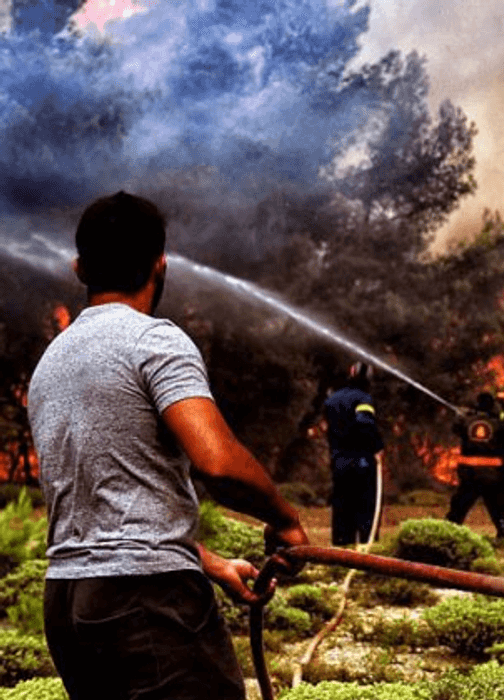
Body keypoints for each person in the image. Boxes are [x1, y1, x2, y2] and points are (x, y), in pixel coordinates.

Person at [27, 191, 309, 700]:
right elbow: (218, 464)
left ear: (79, 268)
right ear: (161, 263)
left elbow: (106, 511)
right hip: (146, 600)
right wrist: (285, 520)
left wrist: (208, 561)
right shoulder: (154, 340)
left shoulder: (52, 362)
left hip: (68, 603)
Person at [446, 392, 504, 537]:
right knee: (497, 507)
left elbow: (456, 429)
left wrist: (461, 416)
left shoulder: (467, 421)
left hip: (468, 474)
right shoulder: (497, 424)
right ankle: (503, 534)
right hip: (491, 475)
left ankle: (448, 532)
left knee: (459, 506)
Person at [324, 361, 385, 546]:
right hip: (361, 461)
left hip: (338, 461)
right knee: (366, 506)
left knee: (342, 506)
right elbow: (364, 423)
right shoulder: (363, 399)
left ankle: (341, 546)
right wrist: (377, 447)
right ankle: (366, 548)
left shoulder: (333, 399)